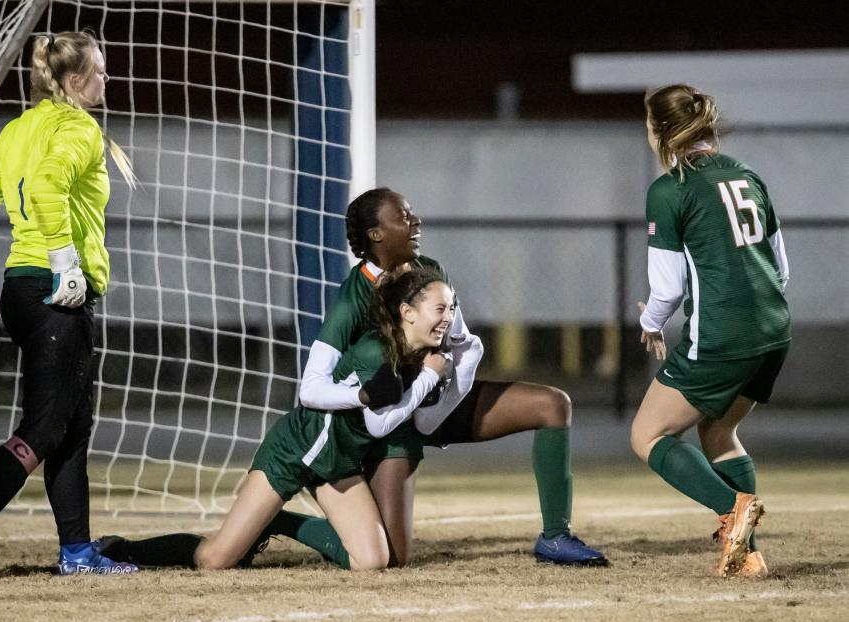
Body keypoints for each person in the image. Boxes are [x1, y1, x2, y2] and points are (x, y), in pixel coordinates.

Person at [290, 187, 607, 567]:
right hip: (393, 425)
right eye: (403, 217)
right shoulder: (352, 296)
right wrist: (370, 399)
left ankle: (555, 537)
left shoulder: (432, 271)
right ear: (376, 234)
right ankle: (286, 523)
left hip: (443, 398)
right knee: (390, 557)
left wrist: (445, 396)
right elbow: (311, 386)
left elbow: (460, 344)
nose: (415, 222)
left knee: (553, 404)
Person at [0, 31, 138, 578]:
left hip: (20, 288)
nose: (107, 79)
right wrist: (67, 262)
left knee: (70, 426)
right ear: (74, 80)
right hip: (54, 291)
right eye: (101, 70)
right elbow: (46, 187)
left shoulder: (20, 127)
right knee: (44, 429)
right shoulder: (76, 128)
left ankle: (77, 551)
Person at [99, 269, 482, 570]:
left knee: (373, 561)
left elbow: (428, 423)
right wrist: (431, 376)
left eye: (452, 308)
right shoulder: (376, 352)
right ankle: (121, 548)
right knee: (215, 559)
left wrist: (463, 369)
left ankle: (279, 522)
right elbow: (379, 425)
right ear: (408, 312)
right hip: (296, 451)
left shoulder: (421, 354)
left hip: (337, 461)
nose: (449, 318)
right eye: (440, 309)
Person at [632, 84, 790, 578]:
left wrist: (650, 323)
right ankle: (747, 555)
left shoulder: (670, 188)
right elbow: (780, 267)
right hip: (774, 330)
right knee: (719, 431)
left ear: (659, 129)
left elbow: (667, 289)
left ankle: (733, 513)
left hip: (723, 338)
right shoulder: (747, 175)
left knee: (647, 435)